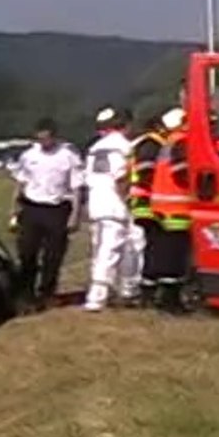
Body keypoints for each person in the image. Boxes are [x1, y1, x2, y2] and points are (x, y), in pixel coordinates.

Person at [9, 117, 84, 312]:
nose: (43, 143)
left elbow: (76, 188)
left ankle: (47, 293)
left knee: (53, 256)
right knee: (27, 253)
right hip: (32, 208)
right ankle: (26, 294)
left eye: (47, 139)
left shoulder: (68, 155)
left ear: (54, 136)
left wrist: (75, 214)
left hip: (57, 209)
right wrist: (14, 208)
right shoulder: (29, 155)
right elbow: (21, 182)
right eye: (40, 139)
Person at [82, 106, 138, 312]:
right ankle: (98, 296)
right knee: (112, 250)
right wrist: (127, 199)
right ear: (126, 125)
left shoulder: (95, 147)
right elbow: (121, 177)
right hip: (114, 204)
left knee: (99, 249)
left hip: (96, 203)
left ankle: (117, 291)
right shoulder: (124, 146)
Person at [148, 107, 193, 314]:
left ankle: (163, 297)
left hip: (164, 206)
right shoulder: (181, 142)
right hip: (177, 207)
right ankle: (170, 302)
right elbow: (182, 172)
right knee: (174, 256)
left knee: (164, 253)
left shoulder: (170, 141)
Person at [126, 114, 168, 307]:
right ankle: (147, 291)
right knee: (152, 247)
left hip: (148, 201)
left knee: (152, 246)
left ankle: (148, 288)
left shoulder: (151, 143)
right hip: (146, 203)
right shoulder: (150, 144)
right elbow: (146, 172)